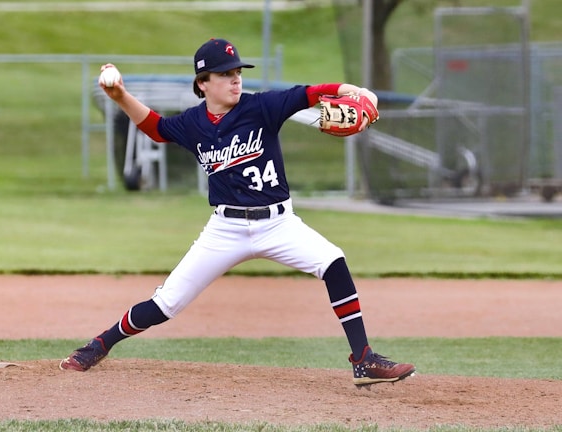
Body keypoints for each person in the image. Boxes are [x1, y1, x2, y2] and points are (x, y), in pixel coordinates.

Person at [60, 38, 415, 386]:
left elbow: (310, 92)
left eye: (237, 71)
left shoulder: (262, 107)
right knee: (166, 303)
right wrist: (120, 96)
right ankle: (98, 345)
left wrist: (353, 89)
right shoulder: (193, 123)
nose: (235, 78)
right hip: (225, 230)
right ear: (203, 83)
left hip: (278, 223)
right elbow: (156, 128)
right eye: (225, 73)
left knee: (334, 262)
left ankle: (363, 359)